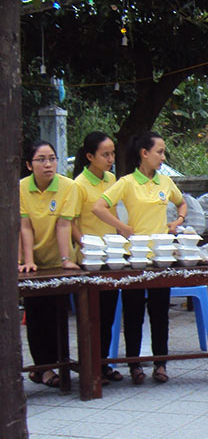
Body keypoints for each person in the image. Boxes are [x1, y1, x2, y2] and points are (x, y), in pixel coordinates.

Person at [93, 131, 187, 385]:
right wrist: (122, 227)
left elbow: (182, 203)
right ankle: (134, 365)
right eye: (159, 152)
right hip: (134, 258)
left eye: (163, 152)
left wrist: (177, 221)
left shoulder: (165, 182)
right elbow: (98, 207)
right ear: (144, 153)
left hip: (160, 257)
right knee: (133, 313)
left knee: (160, 313)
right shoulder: (126, 182)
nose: (162, 157)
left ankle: (160, 364)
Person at [19, 140, 81, 388]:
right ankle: (42, 368)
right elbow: (24, 226)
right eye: (41, 159)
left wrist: (66, 260)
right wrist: (28, 261)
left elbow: (64, 224)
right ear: (29, 164)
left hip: (58, 260)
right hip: (31, 260)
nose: (48, 164)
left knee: (58, 313)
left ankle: (58, 363)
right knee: (36, 314)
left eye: (52, 158)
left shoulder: (68, 187)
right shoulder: (21, 188)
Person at [73, 131, 122, 385]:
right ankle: (90, 365)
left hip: (110, 255)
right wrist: (85, 244)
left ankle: (103, 363)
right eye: (105, 154)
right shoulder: (79, 184)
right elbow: (71, 222)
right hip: (90, 259)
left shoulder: (112, 179)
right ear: (90, 156)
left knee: (108, 314)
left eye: (112, 153)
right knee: (90, 315)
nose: (110, 158)